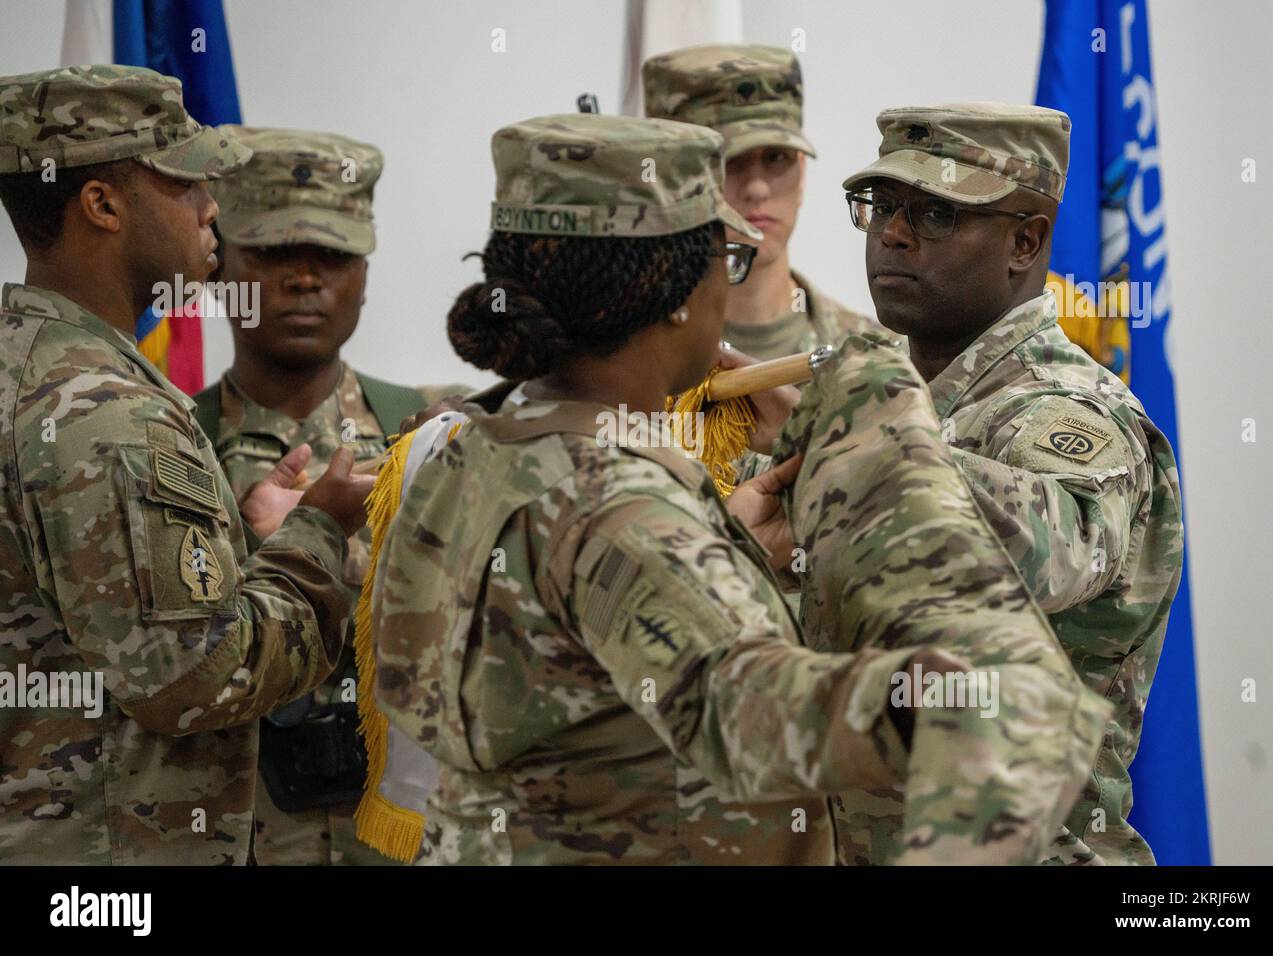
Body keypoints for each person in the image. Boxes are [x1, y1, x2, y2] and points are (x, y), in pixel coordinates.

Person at [368, 113, 1109, 865]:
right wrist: (946, 702)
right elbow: (742, 709)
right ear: (675, 287)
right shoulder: (619, 502)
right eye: (726, 259)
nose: (892, 236)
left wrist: (726, 542)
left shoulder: (471, 449)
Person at [0, 65, 373, 864]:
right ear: (102, 205)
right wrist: (318, 536)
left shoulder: (25, 367)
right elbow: (195, 681)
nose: (213, 209)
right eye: (187, 182)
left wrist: (248, 545)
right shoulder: (105, 412)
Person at [836, 102, 1183, 864]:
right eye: (882, 207)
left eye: (934, 213)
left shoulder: (1067, 409)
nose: (892, 234)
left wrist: (863, 440)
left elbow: (1057, 552)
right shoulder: (893, 394)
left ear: (1025, 241)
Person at [195, 126, 461, 865]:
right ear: (221, 265)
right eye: (274, 255)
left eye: (334, 257)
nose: (305, 279)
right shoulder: (165, 444)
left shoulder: (440, 432)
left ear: (366, 274)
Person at [642, 44, 884, 360]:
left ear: (802, 172)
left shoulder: (870, 358)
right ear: (670, 180)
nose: (756, 188)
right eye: (728, 161)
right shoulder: (628, 360)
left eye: (776, 157)